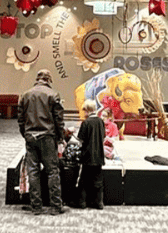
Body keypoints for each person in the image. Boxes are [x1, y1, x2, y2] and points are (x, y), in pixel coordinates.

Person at [17, 68, 66, 216]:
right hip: (48, 137)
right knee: (52, 172)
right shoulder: (53, 95)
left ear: (37, 78)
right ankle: (55, 206)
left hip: (30, 137)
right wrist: (61, 138)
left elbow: (20, 119)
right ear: (49, 79)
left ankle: (36, 206)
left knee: (33, 172)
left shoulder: (25, 95)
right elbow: (59, 120)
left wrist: (26, 134)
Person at [75, 99, 106, 210]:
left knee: (84, 180)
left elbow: (81, 140)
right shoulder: (101, 122)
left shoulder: (86, 122)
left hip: (87, 155)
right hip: (99, 155)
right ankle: (99, 203)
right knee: (98, 181)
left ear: (87, 110)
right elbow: (103, 137)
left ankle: (82, 203)